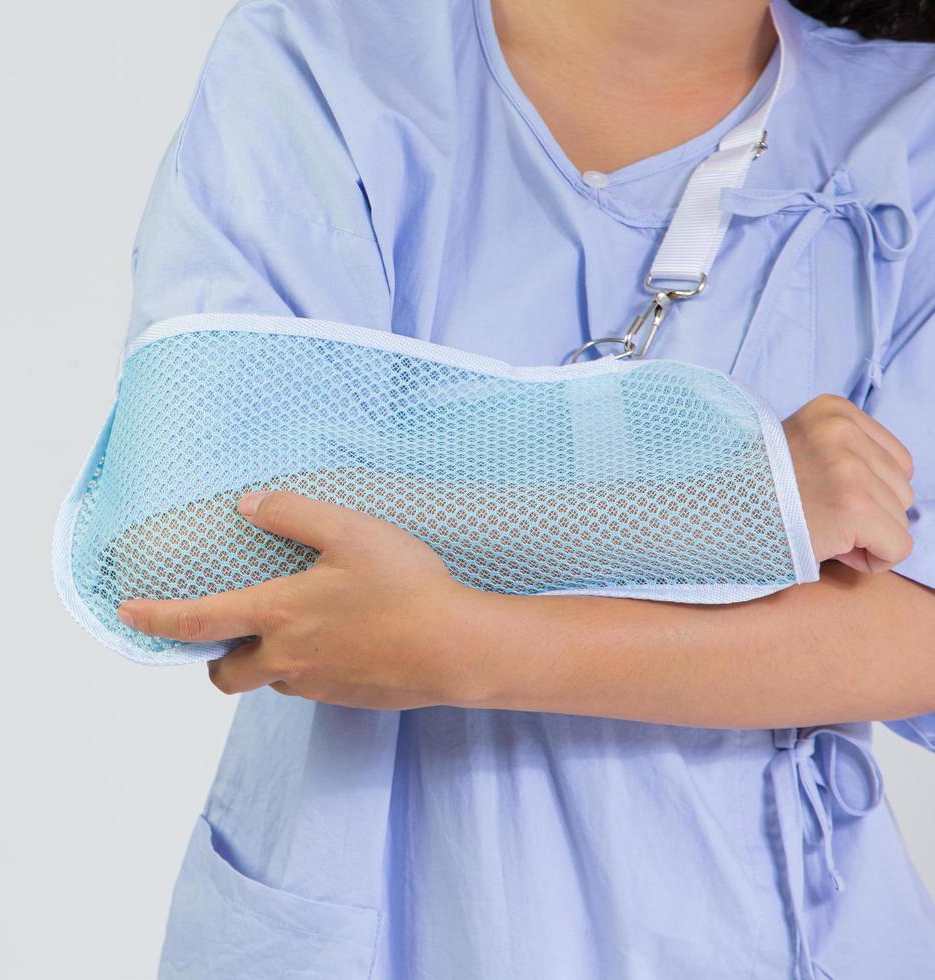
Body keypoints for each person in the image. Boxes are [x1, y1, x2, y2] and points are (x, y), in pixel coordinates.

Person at [105, 0, 935, 975]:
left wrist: (481, 646)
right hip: (375, 915)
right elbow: (184, 539)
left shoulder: (908, 130)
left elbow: (911, 633)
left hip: (757, 924)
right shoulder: (325, 58)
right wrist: (730, 501)